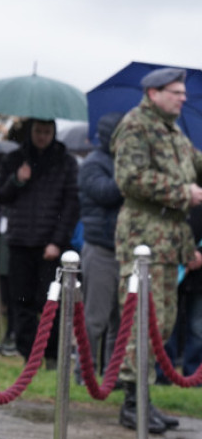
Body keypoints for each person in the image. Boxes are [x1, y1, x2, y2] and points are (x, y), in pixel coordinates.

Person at [112, 67, 202, 433]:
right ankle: (132, 404)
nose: (183, 98)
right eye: (176, 92)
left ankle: (145, 400)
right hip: (143, 237)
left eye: (183, 92)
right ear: (154, 93)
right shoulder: (136, 126)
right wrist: (185, 193)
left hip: (168, 238)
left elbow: (193, 164)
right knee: (142, 320)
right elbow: (129, 178)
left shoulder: (172, 131)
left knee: (161, 323)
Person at [0, 119, 79, 362]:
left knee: (52, 302)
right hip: (20, 241)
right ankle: (27, 354)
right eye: (38, 131)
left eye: (47, 132)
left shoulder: (66, 162)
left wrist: (57, 241)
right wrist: (17, 180)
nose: (42, 136)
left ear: (54, 133)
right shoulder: (14, 159)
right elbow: (0, 196)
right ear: (30, 132)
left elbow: (71, 204)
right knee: (21, 302)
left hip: (50, 244)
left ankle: (52, 354)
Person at [78, 111, 124, 374]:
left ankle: (112, 373)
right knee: (95, 319)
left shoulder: (120, 161)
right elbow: (104, 193)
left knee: (121, 320)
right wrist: (129, 175)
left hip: (123, 249)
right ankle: (84, 370)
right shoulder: (93, 163)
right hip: (101, 248)